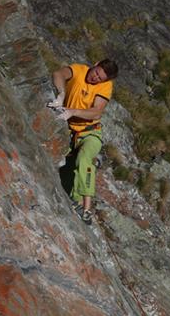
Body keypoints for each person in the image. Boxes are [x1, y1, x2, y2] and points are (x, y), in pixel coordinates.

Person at [48, 59, 118, 225]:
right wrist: (61, 94)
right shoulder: (79, 70)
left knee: (85, 158)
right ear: (95, 64)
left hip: (90, 133)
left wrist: (73, 111)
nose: (95, 78)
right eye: (96, 72)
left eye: (100, 78)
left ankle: (87, 210)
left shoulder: (105, 86)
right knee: (66, 175)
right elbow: (58, 74)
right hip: (71, 133)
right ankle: (77, 202)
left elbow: (96, 112)